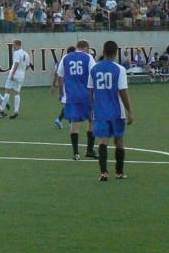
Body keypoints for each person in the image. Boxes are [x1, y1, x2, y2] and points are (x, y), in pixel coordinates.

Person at [89, 40, 135, 181]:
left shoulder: (94, 69)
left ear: (103, 52)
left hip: (100, 111)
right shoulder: (119, 69)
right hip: (116, 111)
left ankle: (103, 173)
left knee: (103, 140)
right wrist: (130, 111)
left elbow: (90, 91)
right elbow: (122, 92)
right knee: (119, 140)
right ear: (116, 53)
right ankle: (119, 172)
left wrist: (91, 109)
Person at [56, 41, 98, 160]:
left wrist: (61, 92)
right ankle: (89, 150)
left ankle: (76, 153)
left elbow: (60, 76)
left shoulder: (66, 57)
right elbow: (94, 74)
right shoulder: (88, 57)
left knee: (75, 124)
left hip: (72, 96)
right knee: (91, 120)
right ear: (85, 48)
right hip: (87, 95)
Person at [2, 39, 30, 119]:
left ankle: (2, 110)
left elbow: (16, 63)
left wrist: (12, 73)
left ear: (17, 45)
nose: (12, 46)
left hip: (15, 74)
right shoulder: (26, 53)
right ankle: (16, 111)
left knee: (7, 90)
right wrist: (22, 72)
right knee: (17, 92)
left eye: (13, 45)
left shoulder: (17, 53)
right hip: (22, 74)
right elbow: (27, 66)